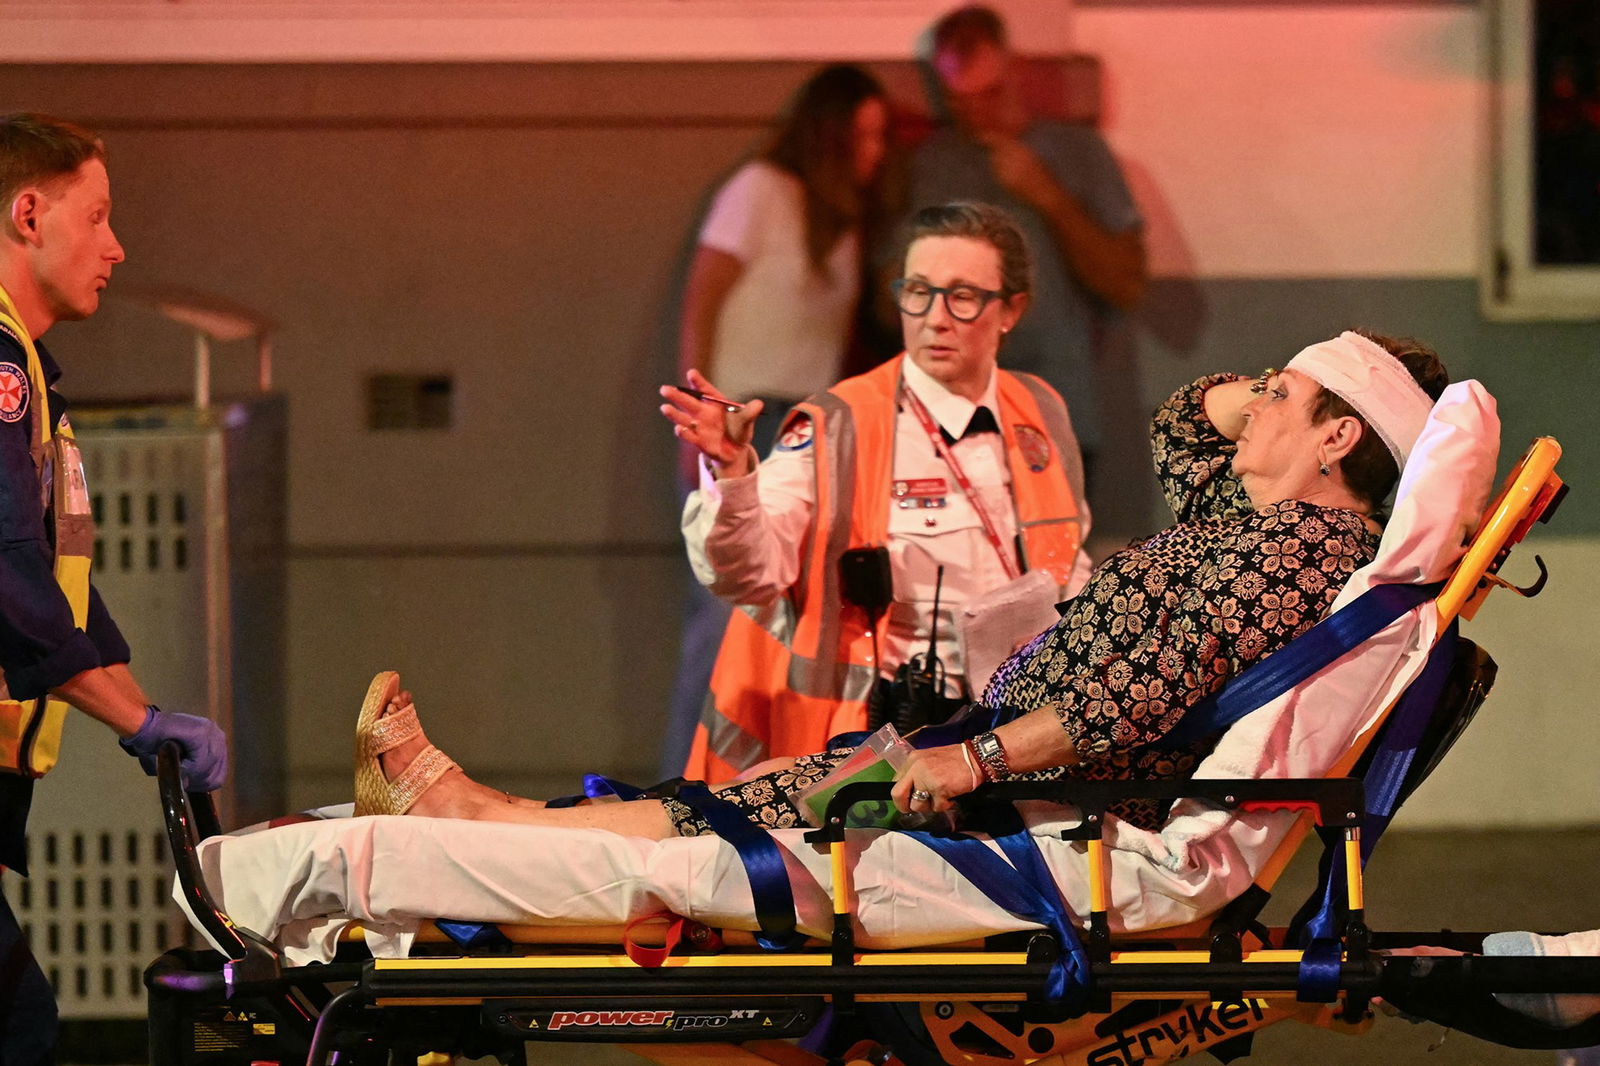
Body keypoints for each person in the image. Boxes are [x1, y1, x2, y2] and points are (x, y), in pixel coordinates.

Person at [350, 323, 1448, 845]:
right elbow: (1181, 422)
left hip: (1030, 782)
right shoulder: (1264, 525)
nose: (1251, 403)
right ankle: (478, 817)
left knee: (751, 814)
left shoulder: (1296, 550)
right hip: (1005, 745)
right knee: (754, 797)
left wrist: (962, 760)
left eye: (1284, 398)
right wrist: (1279, 383)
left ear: (1339, 436)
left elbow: (1143, 693)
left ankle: (468, 824)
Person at [667, 201, 1092, 783]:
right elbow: (747, 575)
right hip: (874, 735)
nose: (935, 318)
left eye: (962, 296)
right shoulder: (837, 422)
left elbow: (1070, 561)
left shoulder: (1040, 408)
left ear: (1010, 310)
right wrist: (736, 475)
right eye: (918, 292)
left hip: (1007, 730)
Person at [0, 113, 229, 1065]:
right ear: (27, 214)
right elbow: (4, 567)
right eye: (96, 217)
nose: (117, 246)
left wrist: (145, 713)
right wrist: (134, 725)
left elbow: (63, 575)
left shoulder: (28, 374)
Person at [661, 64, 892, 776]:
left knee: (797, 620)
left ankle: (779, 780)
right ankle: (681, 783)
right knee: (723, 618)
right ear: (828, 131)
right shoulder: (758, 190)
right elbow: (701, 300)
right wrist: (700, 420)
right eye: (864, 134)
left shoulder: (841, 218)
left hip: (807, 428)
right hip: (742, 421)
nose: (876, 151)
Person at [907, 4, 1146, 479]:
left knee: (1054, 553)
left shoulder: (1080, 153)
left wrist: (1046, 194)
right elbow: (891, 298)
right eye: (959, 101)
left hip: (1056, 410)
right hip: (951, 416)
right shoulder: (931, 165)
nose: (976, 113)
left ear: (1017, 72)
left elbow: (1127, 285)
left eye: (989, 93)